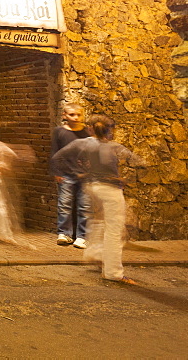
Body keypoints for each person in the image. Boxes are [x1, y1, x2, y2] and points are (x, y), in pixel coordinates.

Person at [51, 114, 142, 284]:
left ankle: (96, 254)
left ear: (90, 128)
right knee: (113, 231)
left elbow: (58, 158)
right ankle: (113, 272)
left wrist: (78, 172)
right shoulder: (115, 146)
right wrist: (125, 179)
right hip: (110, 190)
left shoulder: (82, 143)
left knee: (98, 221)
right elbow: (137, 161)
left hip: (91, 187)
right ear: (109, 130)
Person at [49, 102, 91, 247]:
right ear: (64, 115)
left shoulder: (87, 132)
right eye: (72, 115)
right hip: (66, 174)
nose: (76, 118)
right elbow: (55, 152)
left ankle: (82, 236)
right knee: (64, 204)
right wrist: (56, 171)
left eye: (79, 115)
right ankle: (64, 233)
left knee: (84, 206)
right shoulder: (59, 132)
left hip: (84, 175)